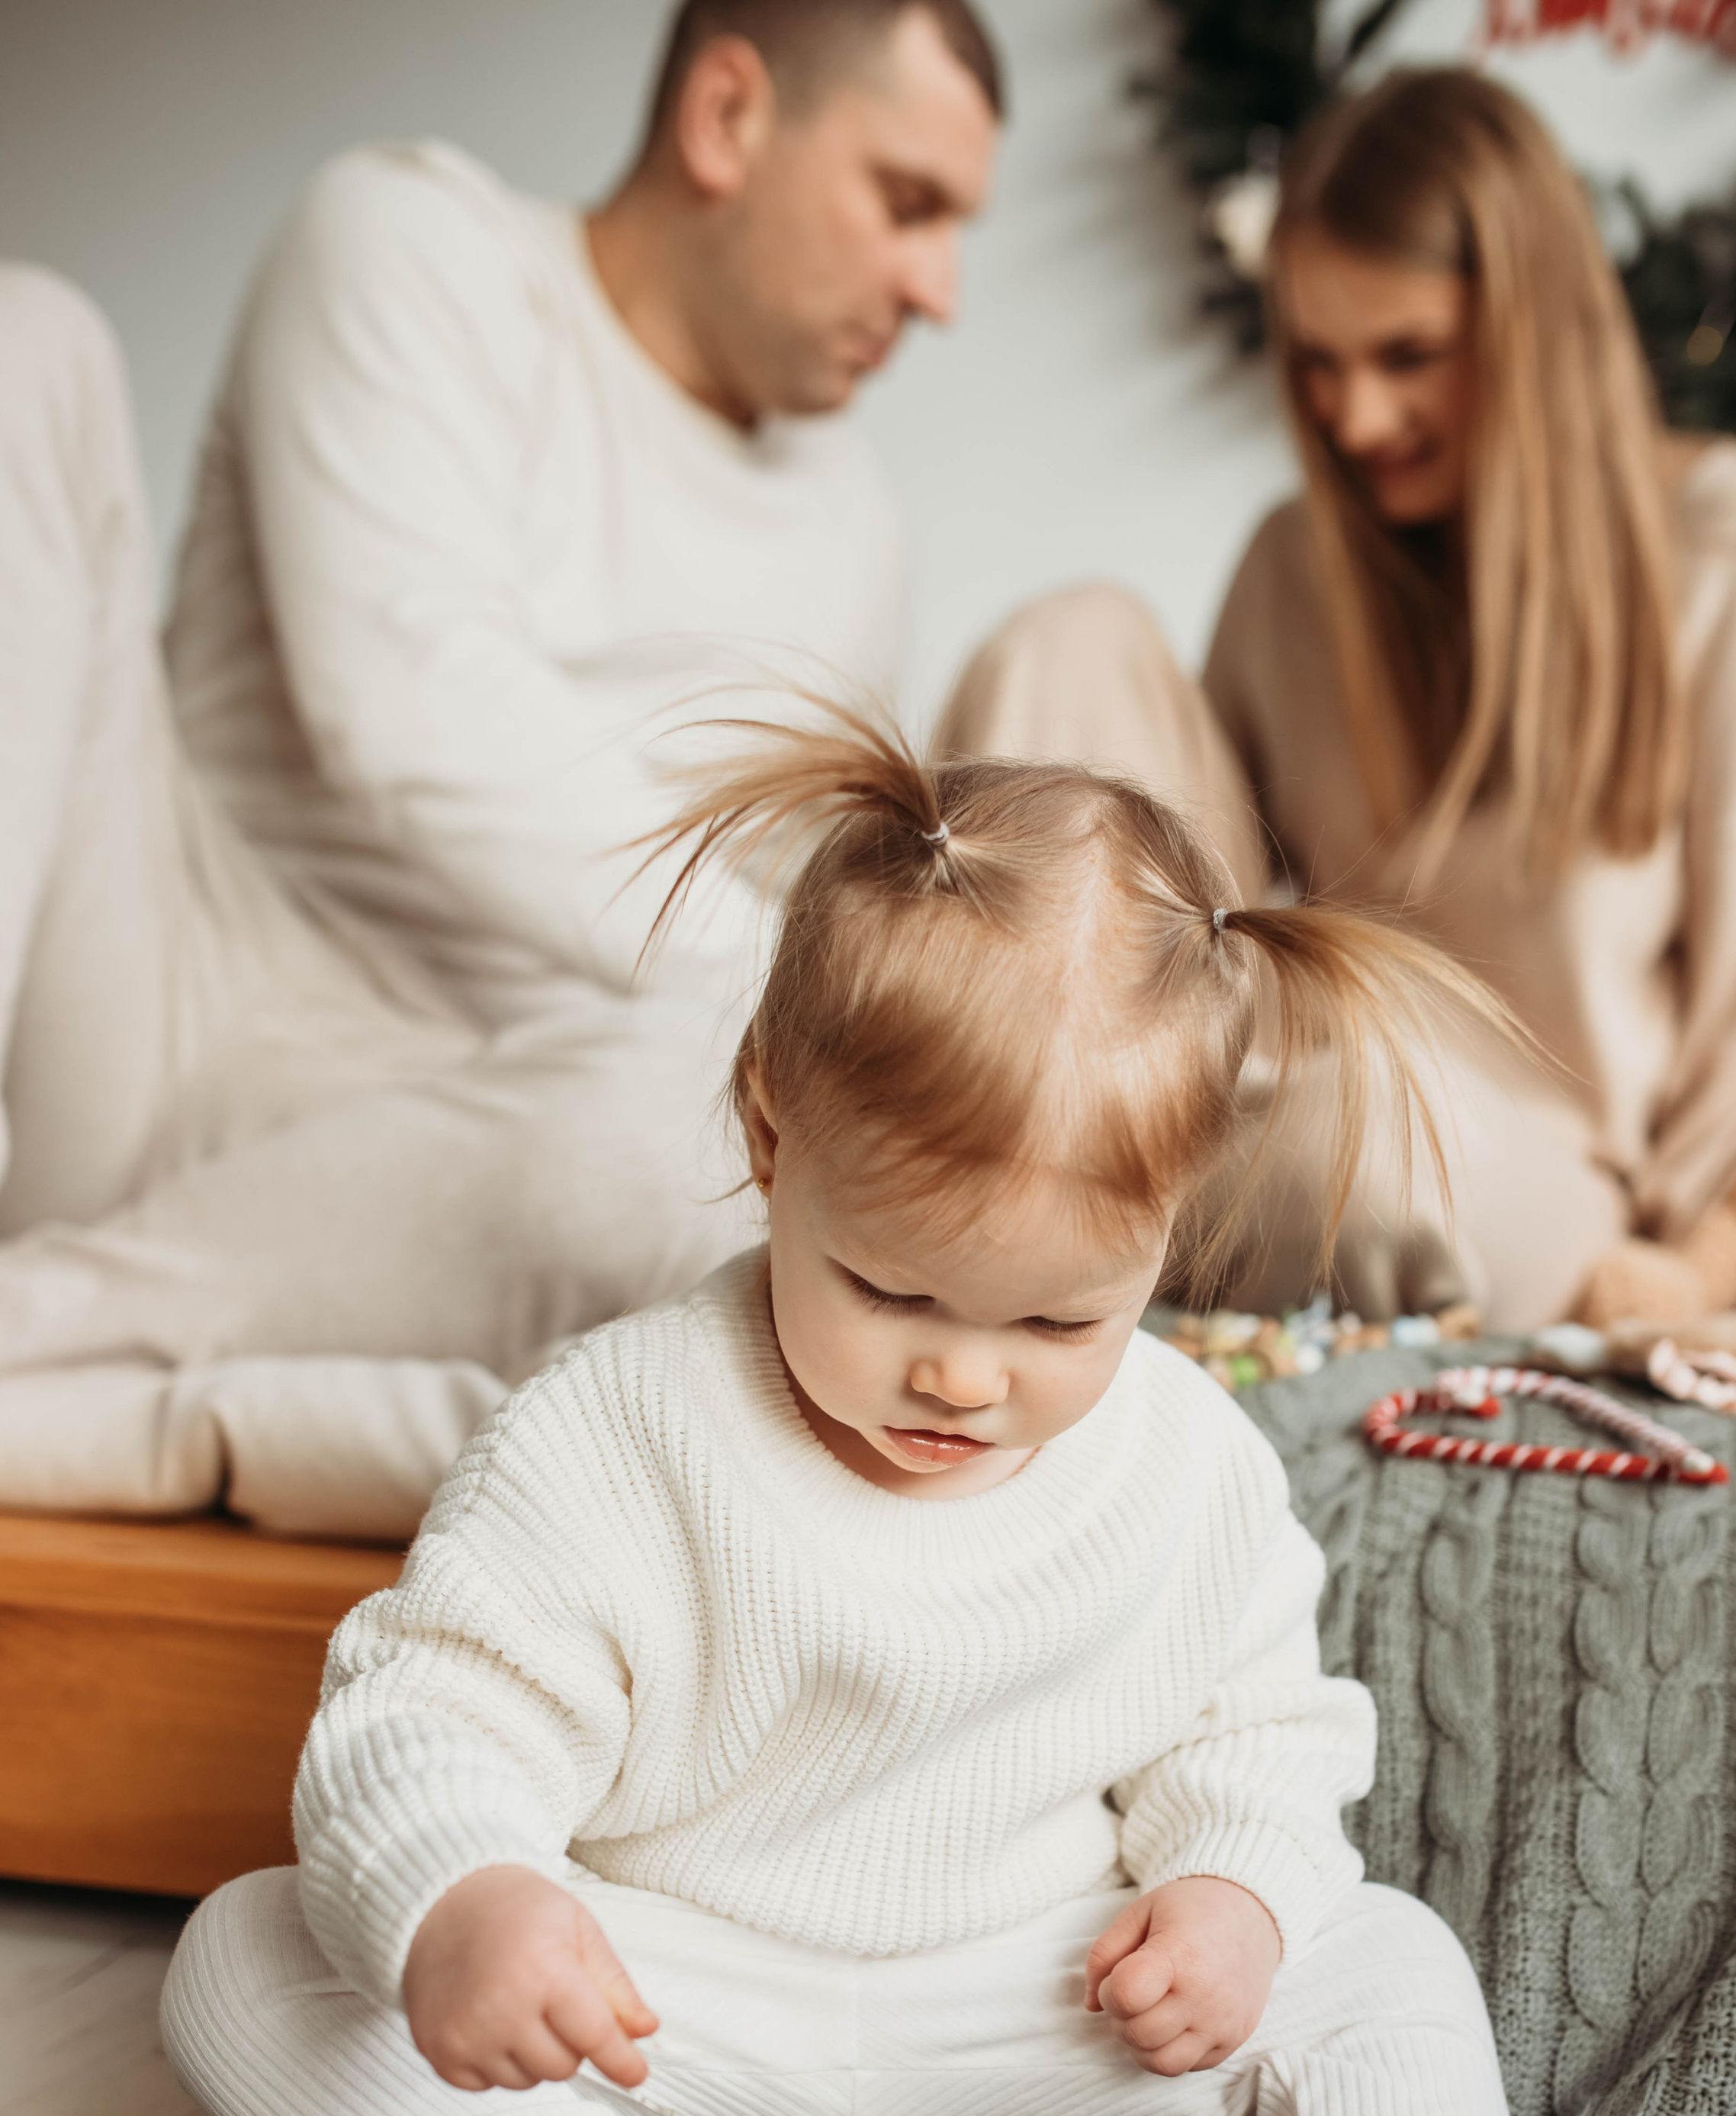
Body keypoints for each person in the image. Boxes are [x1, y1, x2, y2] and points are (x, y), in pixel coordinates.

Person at [162, 714, 1736, 2116]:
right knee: (251, 1962)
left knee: (1375, 1959)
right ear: (770, 1133)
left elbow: (1259, 1739)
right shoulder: (613, 1429)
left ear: (1164, 1235)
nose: (963, 1376)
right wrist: (466, 1898)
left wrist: (1229, 1897)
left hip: (1036, 2007)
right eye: (891, 1291)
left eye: (1056, 1318)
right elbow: (438, 1707)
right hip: (668, 2018)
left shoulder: (1188, 1462)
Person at [0, 0, 1000, 1391]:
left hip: (446, 1182)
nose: (941, 289)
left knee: (727, 1106)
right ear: (726, 118)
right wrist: (824, 988)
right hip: (141, 1028)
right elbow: (407, 718)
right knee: (23, 347)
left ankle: (44, 1333)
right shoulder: (417, 244)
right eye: (907, 204)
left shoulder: (859, 536)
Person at [940, 69, 1736, 1332]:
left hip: (1513, 1162)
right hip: (1264, 1086)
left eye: (1408, 356)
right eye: (1318, 363)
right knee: (1067, 637)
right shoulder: (1292, 566)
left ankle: (1071, 1222)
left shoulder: (1726, 540)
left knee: (1363, 1165)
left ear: (1528, 332)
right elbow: (1200, 896)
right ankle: (972, 1143)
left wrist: (1697, 1269)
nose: (1355, 416)